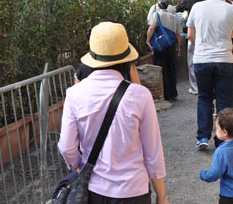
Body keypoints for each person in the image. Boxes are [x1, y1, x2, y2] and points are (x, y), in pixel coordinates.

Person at [59, 22, 170, 204]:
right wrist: (162, 196)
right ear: (126, 59)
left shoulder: (74, 93)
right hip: (133, 190)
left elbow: (66, 147)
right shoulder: (140, 95)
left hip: (93, 189)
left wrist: (81, 166)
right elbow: (153, 153)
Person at [187, 0, 233, 149]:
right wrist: (232, 49)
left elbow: (190, 35)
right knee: (224, 99)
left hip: (201, 59)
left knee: (204, 98)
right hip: (224, 59)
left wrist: (201, 47)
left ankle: (203, 137)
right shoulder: (232, 9)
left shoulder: (197, 7)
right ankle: (222, 138)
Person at [147, 0, 182, 101]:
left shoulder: (156, 15)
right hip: (171, 46)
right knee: (172, 69)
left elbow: (151, 28)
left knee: (163, 70)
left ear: (158, 4)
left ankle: (167, 95)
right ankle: (174, 93)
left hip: (160, 47)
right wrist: (179, 47)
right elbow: (178, 34)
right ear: (168, 5)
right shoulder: (174, 17)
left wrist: (147, 41)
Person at [176, 0, 210, 95]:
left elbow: (177, 8)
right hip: (207, 33)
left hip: (193, 33)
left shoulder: (189, 0)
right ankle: (208, 85)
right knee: (208, 59)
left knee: (192, 61)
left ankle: (195, 87)